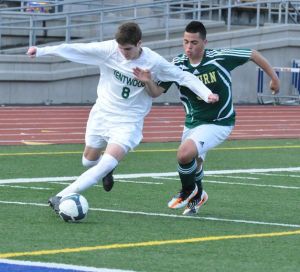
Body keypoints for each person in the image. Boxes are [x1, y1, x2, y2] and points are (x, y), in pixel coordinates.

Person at [27, 22, 219, 213]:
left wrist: (206, 93)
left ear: (139, 44)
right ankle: (106, 170)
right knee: (88, 161)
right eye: (120, 48)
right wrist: (42, 51)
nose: (123, 53)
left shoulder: (153, 61)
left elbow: (183, 76)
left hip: (128, 122)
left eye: (127, 49)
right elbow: (76, 49)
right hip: (102, 114)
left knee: (107, 162)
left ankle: (61, 196)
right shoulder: (109, 50)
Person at [134, 21, 280, 215]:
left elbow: (252, 54)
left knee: (184, 154)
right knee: (195, 164)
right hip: (193, 122)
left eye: (194, 42)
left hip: (219, 122)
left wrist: (274, 78)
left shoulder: (219, 58)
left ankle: (188, 191)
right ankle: (198, 196)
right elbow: (156, 92)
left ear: (204, 42)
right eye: (185, 42)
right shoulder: (177, 64)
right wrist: (147, 82)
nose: (189, 47)